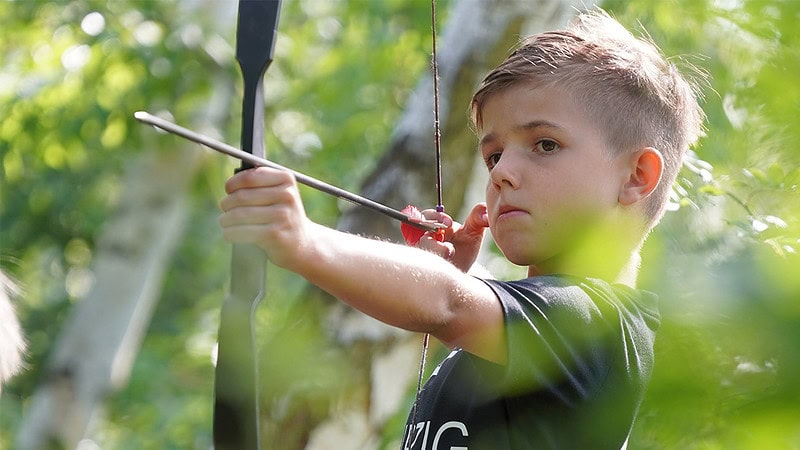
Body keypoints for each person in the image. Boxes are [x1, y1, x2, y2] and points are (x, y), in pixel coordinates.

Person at [219, 9, 704, 449]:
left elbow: (448, 304)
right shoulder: (511, 340)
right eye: (494, 154)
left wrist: (304, 241)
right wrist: (431, 273)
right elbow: (447, 303)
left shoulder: (599, 328)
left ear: (636, 177)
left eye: (545, 144)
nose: (502, 173)